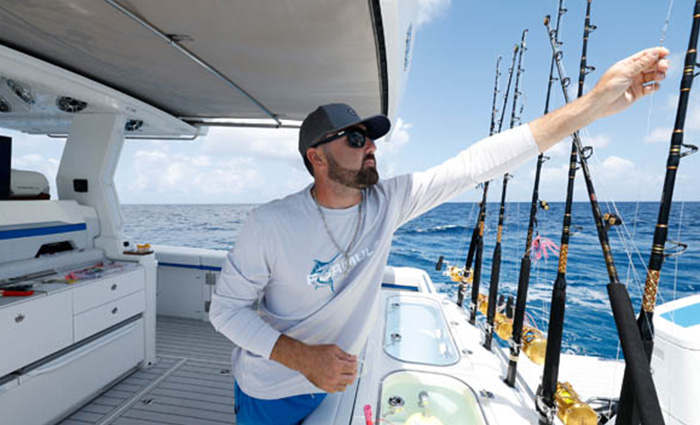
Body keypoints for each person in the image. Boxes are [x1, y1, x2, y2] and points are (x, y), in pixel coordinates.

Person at [209, 47, 669, 425]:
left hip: (337, 381)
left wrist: (589, 107)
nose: (369, 146)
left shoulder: (389, 202)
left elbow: (479, 162)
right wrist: (303, 359)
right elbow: (225, 311)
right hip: (270, 390)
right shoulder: (269, 224)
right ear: (317, 158)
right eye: (353, 139)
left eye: (370, 137)